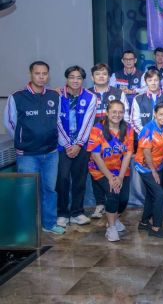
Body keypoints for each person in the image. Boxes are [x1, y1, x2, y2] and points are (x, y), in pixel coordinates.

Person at [3, 61, 64, 234]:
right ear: (31, 74)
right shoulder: (17, 97)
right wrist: (24, 140)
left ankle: (49, 224)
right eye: (38, 73)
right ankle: (27, 228)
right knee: (27, 191)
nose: (41, 77)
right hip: (27, 155)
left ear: (48, 76)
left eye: (44, 74)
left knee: (49, 190)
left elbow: (58, 121)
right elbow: (10, 123)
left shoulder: (54, 96)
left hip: (51, 153)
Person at [56, 66, 97, 228]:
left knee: (80, 180)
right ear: (67, 79)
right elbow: (56, 121)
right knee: (62, 179)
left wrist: (79, 144)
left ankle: (77, 212)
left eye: (79, 78)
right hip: (62, 145)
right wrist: (67, 144)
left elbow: (88, 122)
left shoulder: (90, 97)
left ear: (83, 80)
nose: (75, 80)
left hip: (82, 145)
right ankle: (62, 213)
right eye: (72, 77)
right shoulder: (57, 95)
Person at [87, 100, 134, 242]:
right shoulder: (97, 129)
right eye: (114, 112)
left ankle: (114, 218)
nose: (117, 115)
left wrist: (120, 177)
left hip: (121, 170)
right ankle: (111, 227)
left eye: (120, 112)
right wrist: (111, 178)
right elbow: (95, 155)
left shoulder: (128, 129)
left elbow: (128, 154)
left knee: (124, 199)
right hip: (100, 170)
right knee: (113, 193)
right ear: (107, 112)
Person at [89, 63, 130, 219]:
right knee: (96, 170)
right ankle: (100, 204)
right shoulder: (87, 94)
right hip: (92, 139)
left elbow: (125, 116)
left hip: (116, 139)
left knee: (113, 168)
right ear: (92, 77)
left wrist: (123, 135)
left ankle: (111, 208)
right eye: (98, 74)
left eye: (104, 74)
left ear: (109, 76)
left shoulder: (118, 93)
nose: (101, 76)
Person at [133, 102, 163, 238]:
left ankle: (144, 223)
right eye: (161, 114)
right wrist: (153, 171)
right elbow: (146, 152)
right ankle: (156, 229)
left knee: (151, 195)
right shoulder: (147, 129)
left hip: (159, 166)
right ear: (155, 114)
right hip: (145, 167)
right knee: (159, 194)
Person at [131, 69, 163, 136]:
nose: (153, 83)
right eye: (150, 80)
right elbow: (135, 121)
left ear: (160, 81)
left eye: (156, 80)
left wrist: (162, 134)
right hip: (144, 137)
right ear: (146, 82)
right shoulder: (138, 99)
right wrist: (146, 134)